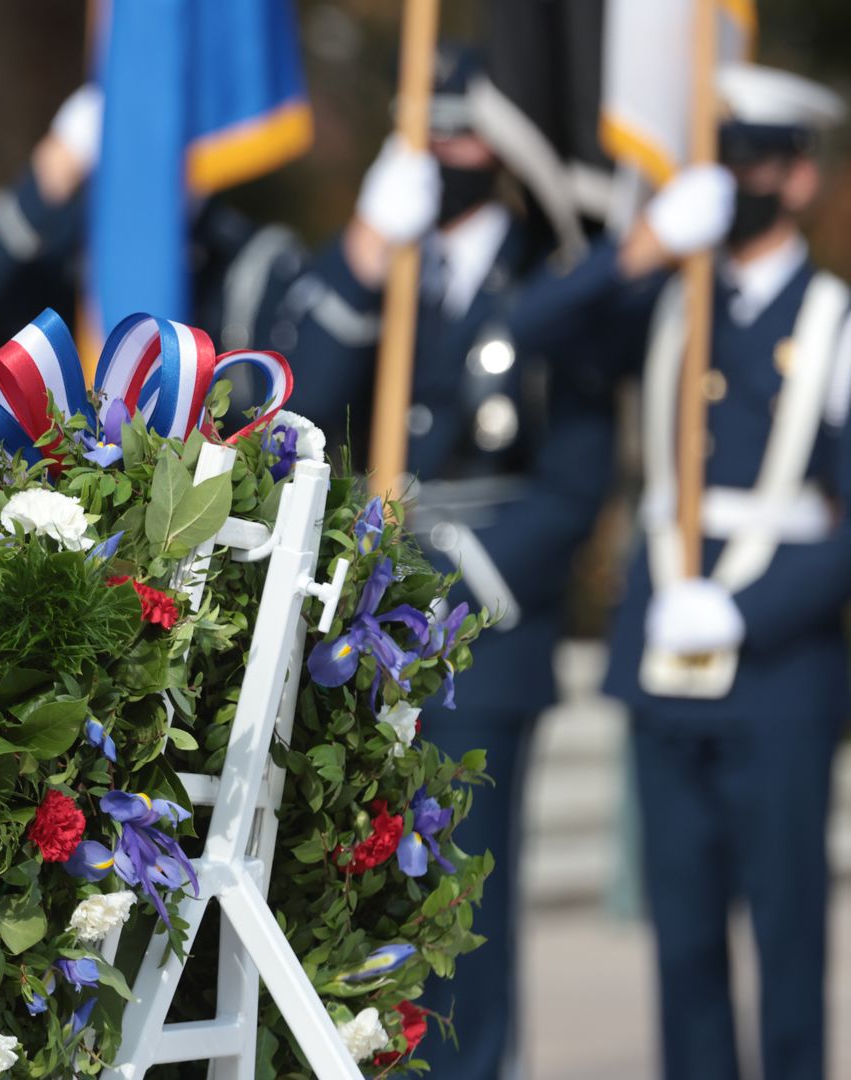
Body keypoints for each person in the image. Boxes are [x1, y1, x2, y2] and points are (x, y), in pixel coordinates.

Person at [267, 47, 619, 1079]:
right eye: (431, 130)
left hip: (481, 635)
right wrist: (370, 250)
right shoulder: (381, 262)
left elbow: (572, 480)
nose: (448, 151)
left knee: (462, 904)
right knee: (354, 893)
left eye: (467, 133)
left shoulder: (552, 281)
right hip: (355, 638)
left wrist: (437, 599)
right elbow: (298, 394)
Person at [509, 63, 848, 1080]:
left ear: (800, 179)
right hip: (662, 660)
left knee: (787, 940)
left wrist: (750, 613)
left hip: (778, 672)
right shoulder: (663, 297)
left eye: (751, 164)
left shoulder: (835, 323)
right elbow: (526, 331)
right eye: (719, 160)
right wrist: (645, 246)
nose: (733, 182)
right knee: (683, 940)